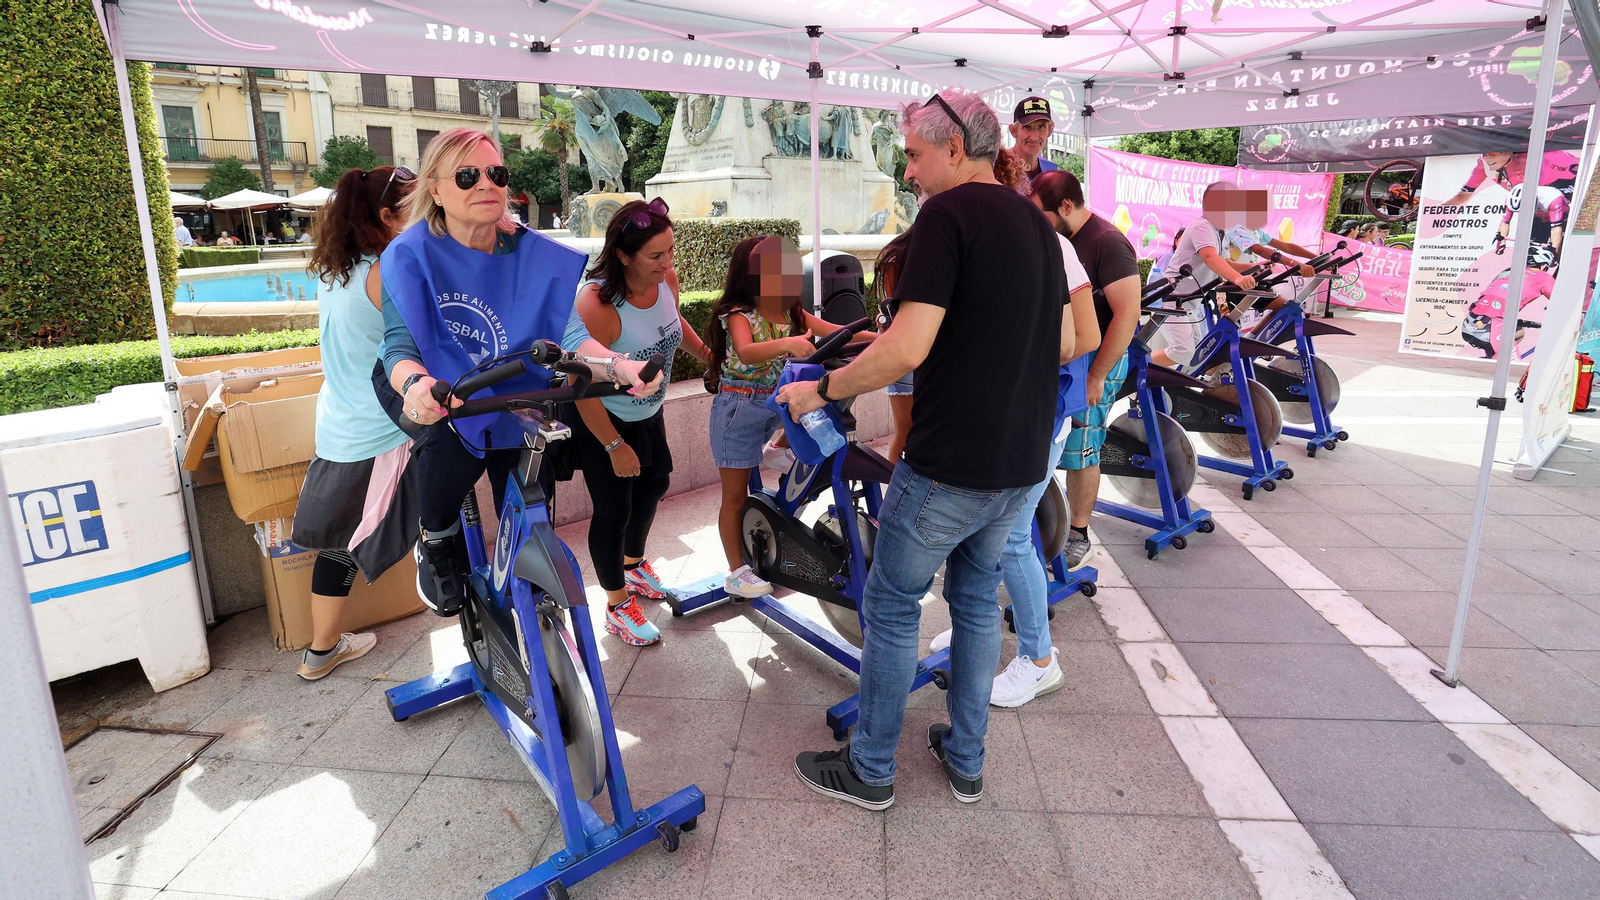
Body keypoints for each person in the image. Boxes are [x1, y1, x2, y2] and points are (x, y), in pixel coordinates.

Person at [782, 88, 1076, 809]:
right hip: (1022, 460)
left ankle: (872, 769)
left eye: (914, 155)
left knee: (890, 605)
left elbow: (905, 347)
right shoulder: (1036, 221)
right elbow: (1069, 341)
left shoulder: (947, 216)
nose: (908, 172)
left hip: (951, 463)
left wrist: (820, 391)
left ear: (954, 148)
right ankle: (966, 760)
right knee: (976, 602)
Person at [376, 127, 662, 615]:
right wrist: (416, 385)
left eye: (496, 173)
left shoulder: (529, 251)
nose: (486, 184)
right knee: (447, 440)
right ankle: (437, 539)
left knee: (532, 477)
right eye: (467, 176)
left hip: (510, 383)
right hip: (428, 382)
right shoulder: (409, 255)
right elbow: (398, 347)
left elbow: (569, 336)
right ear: (436, 190)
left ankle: (525, 567)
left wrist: (619, 365)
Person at [563, 198, 711, 646]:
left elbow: (674, 322)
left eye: (670, 251)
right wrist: (612, 445)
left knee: (654, 484)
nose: (668, 263)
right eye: (656, 255)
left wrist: (706, 355)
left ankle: (634, 563)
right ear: (624, 255)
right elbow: (580, 382)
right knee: (613, 511)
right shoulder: (597, 303)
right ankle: (615, 603)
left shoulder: (666, 278)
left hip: (649, 409)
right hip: (603, 418)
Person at [291, 164, 419, 680]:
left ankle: (321, 649)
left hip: (340, 422)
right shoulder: (387, 271)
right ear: (387, 216)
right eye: (416, 208)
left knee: (339, 542)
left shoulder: (336, 268)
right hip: (382, 428)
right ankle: (322, 649)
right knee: (357, 542)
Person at [706, 234, 870, 599]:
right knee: (733, 497)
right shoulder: (739, 314)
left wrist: (886, 339)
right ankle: (736, 572)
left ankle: (776, 448)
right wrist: (788, 343)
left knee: (813, 402)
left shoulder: (792, 311)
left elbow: (838, 333)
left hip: (775, 403)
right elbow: (747, 352)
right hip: (738, 409)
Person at [881, 150, 1029, 464]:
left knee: (912, 435)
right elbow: (907, 336)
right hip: (922, 361)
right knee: (910, 435)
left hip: (939, 368)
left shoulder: (962, 229)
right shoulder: (932, 232)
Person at [1030, 169, 1143, 570]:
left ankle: (1078, 533)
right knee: (1056, 446)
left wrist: (1097, 375)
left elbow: (1128, 315)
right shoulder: (1062, 239)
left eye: (1040, 213)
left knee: (1083, 448)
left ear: (1065, 206)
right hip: (1066, 358)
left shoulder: (1107, 242)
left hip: (1098, 361)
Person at [1010, 96, 1058, 189]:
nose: (1034, 137)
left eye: (1041, 127)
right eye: (1027, 127)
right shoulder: (999, 166)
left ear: (1050, 130)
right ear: (1013, 131)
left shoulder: (1051, 172)